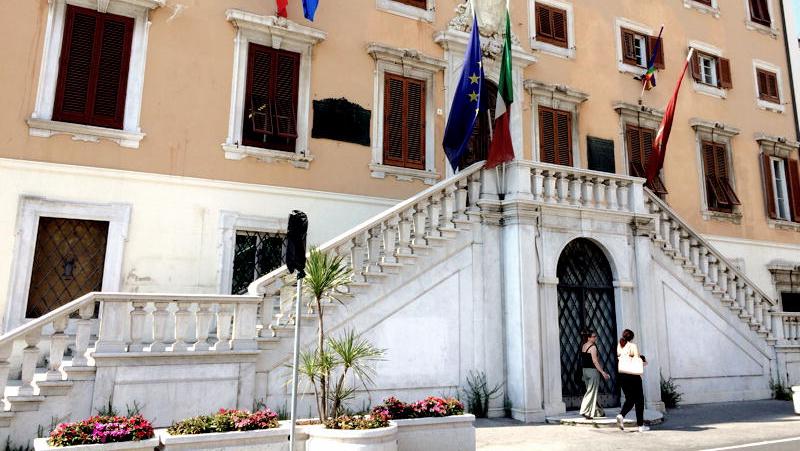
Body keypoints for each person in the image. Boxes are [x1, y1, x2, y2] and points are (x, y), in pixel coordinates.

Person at [616, 329, 649, 432]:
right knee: (639, 400)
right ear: (632, 337)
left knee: (630, 399)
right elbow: (637, 359)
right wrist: (643, 360)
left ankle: (621, 415)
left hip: (622, 376)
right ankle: (640, 425)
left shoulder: (620, 345)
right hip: (633, 376)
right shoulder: (632, 346)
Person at [579, 330, 610, 419]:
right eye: (593, 336)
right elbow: (595, 362)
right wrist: (602, 372)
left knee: (591, 391)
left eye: (595, 336)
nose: (595, 338)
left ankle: (598, 412)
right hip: (592, 371)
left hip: (585, 371)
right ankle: (584, 410)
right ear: (589, 337)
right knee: (591, 391)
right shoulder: (593, 347)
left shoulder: (584, 345)